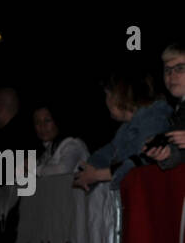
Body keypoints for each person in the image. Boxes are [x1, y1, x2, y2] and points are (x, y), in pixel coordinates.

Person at [74, 70, 171, 191]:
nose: (106, 102)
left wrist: (97, 175)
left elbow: (142, 161)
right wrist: (86, 173)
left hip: (153, 198)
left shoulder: (154, 119)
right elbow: (106, 154)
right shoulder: (125, 129)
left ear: (119, 96)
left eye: (108, 95)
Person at [143, 41, 185, 170]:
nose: (171, 75)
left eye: (180, 68)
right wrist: (165, 154)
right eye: (167, 70)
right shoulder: (177, 109)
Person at [32, 103, 88, 176]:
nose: (42, 126)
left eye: (47, 120)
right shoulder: (45, 153)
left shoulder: (73, 143)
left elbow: (63, 171)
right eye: (37, 122)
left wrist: (34, 168)